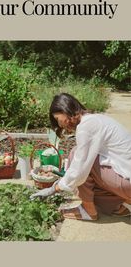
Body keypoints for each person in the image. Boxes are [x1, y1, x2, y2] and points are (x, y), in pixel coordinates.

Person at [30, 93, 131, 221]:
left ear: (65, 109)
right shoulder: (94, 119)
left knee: (76, 157)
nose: (59, 125)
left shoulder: (86, 126)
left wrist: (54, 188)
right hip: (127, 178)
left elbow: (80, 169)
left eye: (57, 118)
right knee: (82, 169)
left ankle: (89, 211)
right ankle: (116, 206)